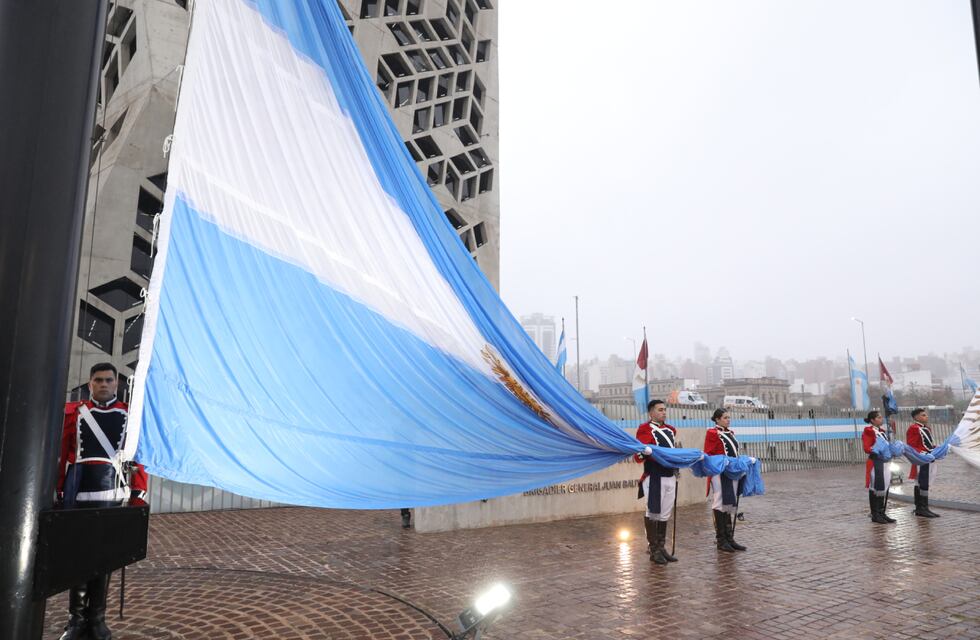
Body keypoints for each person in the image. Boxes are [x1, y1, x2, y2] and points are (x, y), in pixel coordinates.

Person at [57, 363, 147, 640]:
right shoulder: (76, 413)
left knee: (104, 559)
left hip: (113, 494)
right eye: (98, 380)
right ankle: (76, 620)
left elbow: (137, 457)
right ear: (90, 382)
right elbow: (63, 454)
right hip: (80, 492)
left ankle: (97, 619)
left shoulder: (129, 417)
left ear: (117, 383)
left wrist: (138, 495)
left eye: (109, 380)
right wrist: (58, 490)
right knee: (79, 557)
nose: (104, 384)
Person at [633, 399, 678, 565]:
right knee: (653, 512)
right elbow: (639, 454)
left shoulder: (671, 430)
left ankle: (661, 547)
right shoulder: (644, 429)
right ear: (651, 412)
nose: (664, 413)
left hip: (669, 475)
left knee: (665, 513)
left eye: (665, 410)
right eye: (660, 410)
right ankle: (654, 550)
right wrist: (646, 451)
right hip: (654, 476)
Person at [703, 409, 747, 552]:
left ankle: (729, 537)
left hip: (732, 471)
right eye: (725, 418)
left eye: (729, 417)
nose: (728, 420)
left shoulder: (730, 433)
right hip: (719, 472)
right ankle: (721, 539)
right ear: (717, 419)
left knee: (728, 503)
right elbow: (708, 454)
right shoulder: (712, 433)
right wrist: (722, 463)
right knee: (720, 502)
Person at [861, 410, 895, 524]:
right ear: (872, 420)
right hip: (876, 461)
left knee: (884, 486)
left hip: (885, 462)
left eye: (881, 417)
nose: (881, 419)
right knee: (875, 487)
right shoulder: (869, 431)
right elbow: (867, 448)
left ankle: (881, 512)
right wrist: (877, 450)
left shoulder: (882, 431)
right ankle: (875, 514)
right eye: (879, 417)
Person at [907, 408, 939, 518]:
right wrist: (922, 454)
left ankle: (923, 507)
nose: (926, 417)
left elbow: (927, 444)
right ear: (916, 417)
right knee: (921, 482)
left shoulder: (926, 428)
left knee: (925, 482)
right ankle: (921, 508)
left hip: (929, 458)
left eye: (926, 415)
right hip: (921, 459)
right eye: (923, 415)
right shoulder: (913, 428)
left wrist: (935, 448)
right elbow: (911, 446)